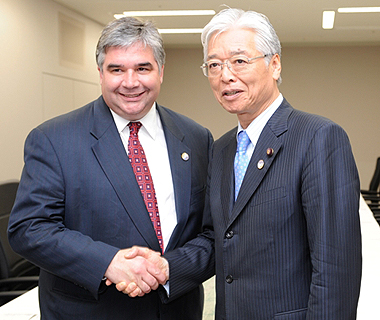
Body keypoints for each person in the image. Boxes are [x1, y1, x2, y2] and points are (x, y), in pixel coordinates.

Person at [122, 8, 362, 319]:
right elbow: (220, 240)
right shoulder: (221, 149)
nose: (225, 75)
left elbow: (335, 270)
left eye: (239, 61)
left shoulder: (318, 138)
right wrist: (166, 267)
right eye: (214, 64)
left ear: (274, 64)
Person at [8, 16, 213, 319]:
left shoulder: (196, 138)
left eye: (143, 68)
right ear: (101, 74)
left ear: (161, 72)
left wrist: (171, 269)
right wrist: (108, 262)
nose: (130, 82)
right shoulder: (53, 139)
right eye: (117, 69)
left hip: (177, 310)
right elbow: (29, 228)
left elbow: (212, 233)